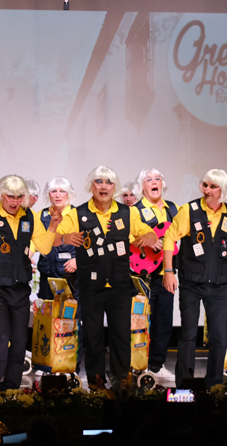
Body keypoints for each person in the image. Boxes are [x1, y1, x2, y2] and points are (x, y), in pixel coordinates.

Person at [55, 166, 157, 387]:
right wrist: (65, 236)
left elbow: (147, 232)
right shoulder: (76, 213)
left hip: (119, 285)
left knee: (121, 337)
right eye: (98, 181)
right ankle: (96, 384)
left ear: (114, 187)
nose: (103, 186)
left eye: (108, 182)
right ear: (91, 185)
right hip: (91, 286)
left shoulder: (128, 212)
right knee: (93, 338)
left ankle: (123, 382)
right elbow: (54, 239)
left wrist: (149, 237)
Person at [0, 175, 61, 390]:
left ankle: (12, 388)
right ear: (1, 196)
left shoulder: (29, 216)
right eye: (10, 197)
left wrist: (52, 228)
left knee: (19, 340)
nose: (15, 202)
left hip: (20, 287)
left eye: (19, 197)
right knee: (2, 338)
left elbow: (43, 248)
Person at [162, 169, 227, 387]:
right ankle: (185, 383)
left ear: (223, 191)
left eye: (212, 186)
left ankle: (214, 383)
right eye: (204, 185)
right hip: (191, 282)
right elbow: (170, 237)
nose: (206, 190)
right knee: (187, 334)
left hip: (218, 283)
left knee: (218, 335)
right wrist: (169, 271)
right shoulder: (190, 210)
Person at [134, 168, 179, 380]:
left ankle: (156, 365)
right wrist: (148, 240)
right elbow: (127, 238)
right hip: (141, 274)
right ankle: (137, 364)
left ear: (162, 184)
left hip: (165, 274)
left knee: (163, 322)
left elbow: (179, 236)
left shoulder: (171, 208)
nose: (154, 182)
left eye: (157, 179)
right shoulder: (135, 210)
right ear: (142, 186)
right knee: (139, 321)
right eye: (149, 179)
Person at [36, 177, 78, 301]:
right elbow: (33, 241)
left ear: (69, 193)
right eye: (54, 191)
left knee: (69, 316)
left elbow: (90, 245)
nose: (58, 195)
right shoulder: (40, 216)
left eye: (62, 191)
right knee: (46, 315)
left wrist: (78, 260)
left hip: (70, 275)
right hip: (47, 276)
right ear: (48, 194)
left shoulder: (78, 214)